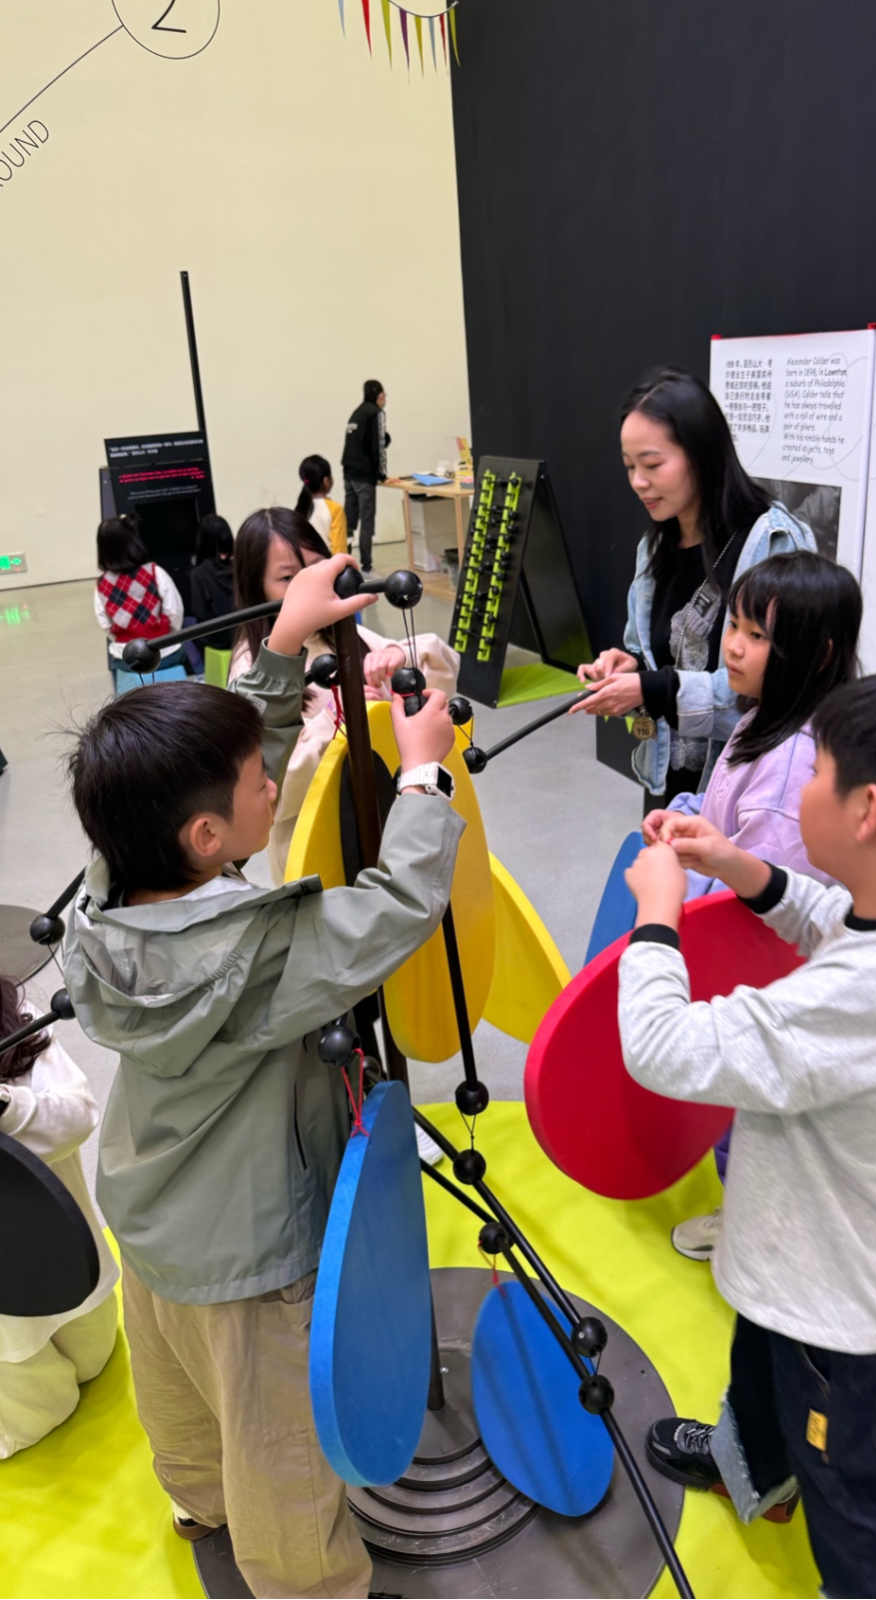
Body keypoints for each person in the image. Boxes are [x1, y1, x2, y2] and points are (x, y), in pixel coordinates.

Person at [64, 553, 463, 1599]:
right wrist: (422, 773)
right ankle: (310, 1586)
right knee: (280, 1448)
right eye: (259, 784)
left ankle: (198, 1504)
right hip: (249, 1253)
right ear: (209, 835)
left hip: (151, 1210)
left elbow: (211, 795)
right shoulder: (257, 952)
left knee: (182, 1399)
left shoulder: (109, 896)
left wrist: (281, 646)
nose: (272, 784)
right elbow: (395, 908)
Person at [618, 669, 876, 1600]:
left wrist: (656, 915)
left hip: (844, 1326)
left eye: (815, 772)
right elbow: (828, 918)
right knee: (758, 1381)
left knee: (860, 1506)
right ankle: (755, 1470)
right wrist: (735, 864)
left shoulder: (873, 994)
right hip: (793, 1264)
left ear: (866, 811)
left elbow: (663, 1048)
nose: (799, 786)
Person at [642, 550, 862, 1264]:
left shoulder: (791, 764)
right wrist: (689, 819)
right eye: (733, 626)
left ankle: (754, 1227)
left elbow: (759, 901)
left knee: (749, 1110)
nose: (732, 646)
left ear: (817, 652)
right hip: (760, 966)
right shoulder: (767, 717)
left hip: (763, 978)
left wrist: (671, 895)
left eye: (757, 635)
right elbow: (726, 819)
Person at [573, 369, 815, 808]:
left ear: (702, 455)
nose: (637, 481)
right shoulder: (655, 546)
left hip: (743, 793)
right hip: (668, 779)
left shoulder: (773, 543)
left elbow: (778, 692)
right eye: (629, 466)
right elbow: (654, 656)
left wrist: (653, 689)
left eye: (652, 465)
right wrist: (629, 667)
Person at [229, 507, 460, 883]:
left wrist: (398, 656)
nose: (306, 588)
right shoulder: (251, 666)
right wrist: (332, 724)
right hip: (315, 840)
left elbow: (443, 668)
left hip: (380, 809)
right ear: (257, 588)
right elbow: (268, 792)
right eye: (288, 578)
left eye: (315, 569)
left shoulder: (339, 634)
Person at [0, 976, 119, 1458]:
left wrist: (5, 1106)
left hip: (74, 1275)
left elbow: (78, 1117)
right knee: (37, 1413)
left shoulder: (18, 1021)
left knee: (93, 1362)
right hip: (9, 1328)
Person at [94, 515, 185, 682]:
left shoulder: (102, 584)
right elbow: (174, 612)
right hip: (164, 652)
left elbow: (105, 623)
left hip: (126, 658)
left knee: (119, 672)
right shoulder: (155, 573)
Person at [342, 379, 392, 571]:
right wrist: (382, 475)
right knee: (367, 520)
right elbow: (378, 446)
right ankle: (366, 564)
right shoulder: (376, 413)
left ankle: (345, 560)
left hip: (349, 472)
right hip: (364, 476)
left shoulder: (357, 412)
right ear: (381, 396)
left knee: (349, 520)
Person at [190, 514, 236, 652]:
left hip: (218, 640)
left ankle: (199, 666)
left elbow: (200, 614)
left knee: (186, 624)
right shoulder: (241, 566)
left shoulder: (199, 574)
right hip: (245, 632)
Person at [296, 454, 348, 556]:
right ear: (326, 481)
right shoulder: (335, 509)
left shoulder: (300, 508)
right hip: (327, 564)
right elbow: (339, 551)